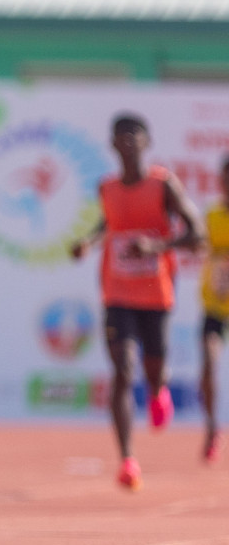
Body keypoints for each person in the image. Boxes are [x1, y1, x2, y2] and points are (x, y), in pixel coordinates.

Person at [70, 114, 203, 490]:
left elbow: (197, 233)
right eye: (121, 137)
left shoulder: (163, 185)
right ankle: (127, 460)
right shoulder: (107, 187)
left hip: (156, 294)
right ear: (112, 144)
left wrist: (158, 246)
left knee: (152, 370)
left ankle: (159, 389)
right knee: (123, 371)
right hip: (117, 293)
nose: (128, 142)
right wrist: (89, 241)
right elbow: (107, 223)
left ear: (147, 142)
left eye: (135, 136)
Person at [201, 156, 229, 464]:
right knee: (209, 364)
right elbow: (196, 243)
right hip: (216, 306)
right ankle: (211, 427)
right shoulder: (212, 216)